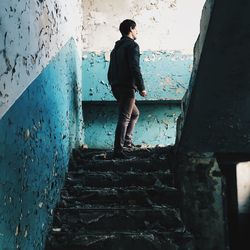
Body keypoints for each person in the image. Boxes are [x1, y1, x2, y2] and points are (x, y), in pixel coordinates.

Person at [107, 19, 147, 159]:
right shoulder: (132, 46)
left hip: (116, 86)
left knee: (134, 114)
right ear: (131, 28)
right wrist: (141, 87)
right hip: (127, 87)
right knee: (125, 117)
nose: (137, 32)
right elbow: (135, 67)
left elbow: (110, 70)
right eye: (136, 29)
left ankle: (127, 143)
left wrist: (113, 83)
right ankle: (118, 150)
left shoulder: (116, 48)